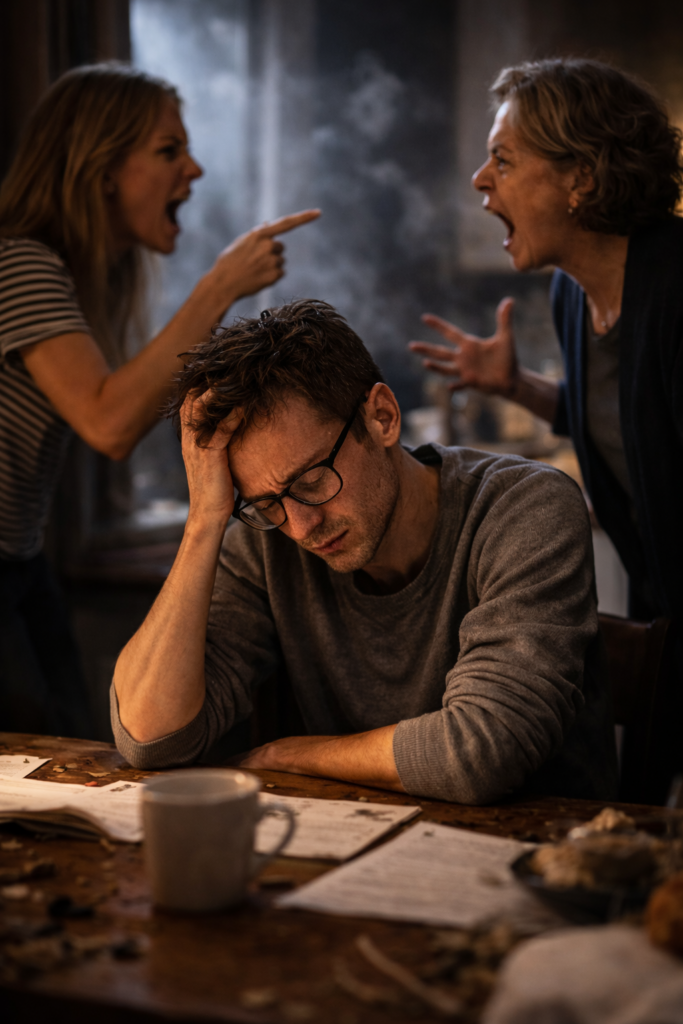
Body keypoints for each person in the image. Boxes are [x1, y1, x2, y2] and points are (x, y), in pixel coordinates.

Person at [111, 299, 617, 804]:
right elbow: (150, 739)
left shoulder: (524, 508)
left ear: (382, 417)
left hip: (544, 857)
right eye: (267, 504)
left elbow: (479, 753)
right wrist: (205, 520)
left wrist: (285, 757)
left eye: (312, 481)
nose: (302, 526)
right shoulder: (267, 534)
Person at [0, 62, 319, 737]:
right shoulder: (20, 263)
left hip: (18, 560)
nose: (194, 170)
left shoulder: (77, 277)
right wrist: (218, 287)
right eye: (168, 150)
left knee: (64, 754)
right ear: (102, 167)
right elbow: (110, 421)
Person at [409, 59, 683, 798]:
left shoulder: (677, 287)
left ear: (580, 178)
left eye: (503, 158)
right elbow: (635, 421)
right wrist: (517, 387)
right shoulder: (575, 294)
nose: (479, 179)